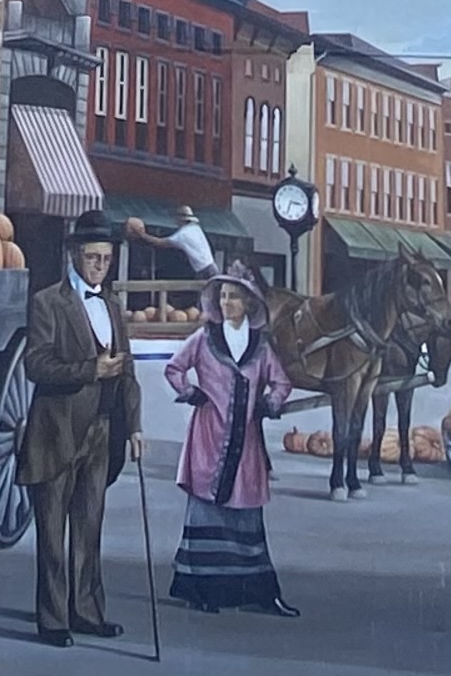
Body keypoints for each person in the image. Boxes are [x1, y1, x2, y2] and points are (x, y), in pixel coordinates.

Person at [19, 220, 142, 645]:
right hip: (56, 434)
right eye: (93, 258)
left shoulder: (111, 306)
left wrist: (136, 427)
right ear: (74, 255)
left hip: (102, 432)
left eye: (106, 260)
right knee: (53, 535)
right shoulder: (48, 302)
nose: (100, 268)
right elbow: (36, 365)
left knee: (89, 529)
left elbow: (128, 373)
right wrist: (90, 370)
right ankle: (53, 619)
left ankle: (87, 611)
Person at [166, 268, 299, 617]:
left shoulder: (261, 346)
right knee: (206, 506)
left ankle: (258, 592)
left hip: (246, 439)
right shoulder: (202, 338)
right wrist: (192, 393)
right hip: (209, 435)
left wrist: (270, 403)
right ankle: (201, 590)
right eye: (223, 296)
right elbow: (174, 369)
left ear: (249, 303)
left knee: (245, 508)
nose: (227, 303)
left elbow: (281, 383)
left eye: (234, 296)